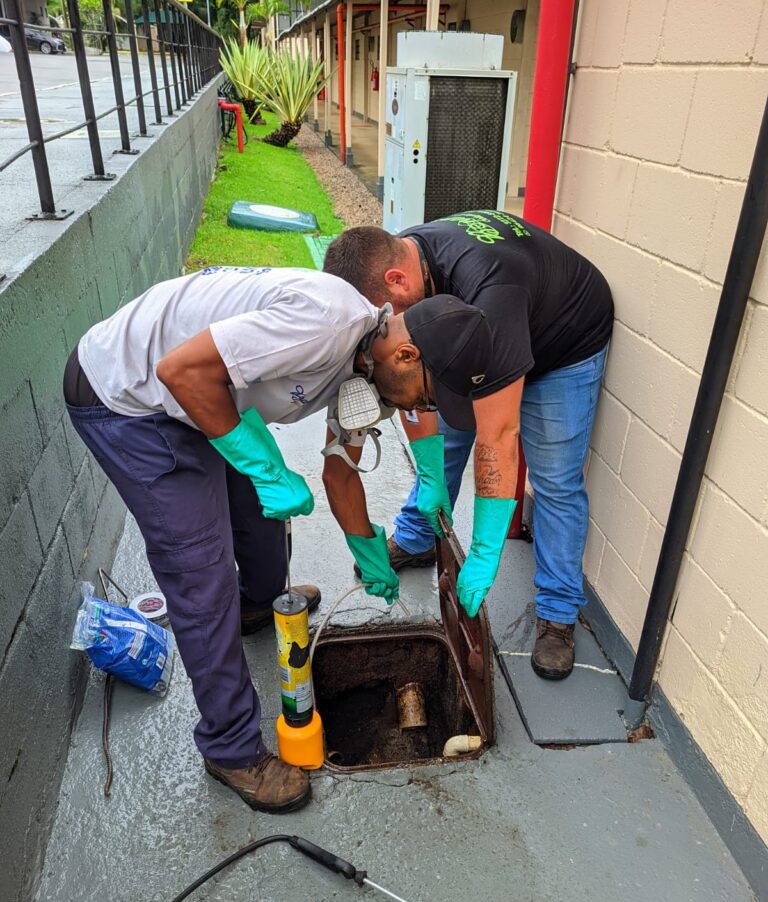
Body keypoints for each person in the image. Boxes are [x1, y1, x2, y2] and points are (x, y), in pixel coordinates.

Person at [63, 266, 399, 814]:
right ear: (406, 354)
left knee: (261, 519)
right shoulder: (328, 326)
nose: (412, 411)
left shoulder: (370, 364)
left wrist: (368, 549)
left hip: (206, 392)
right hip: (131, 397)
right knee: (201, 573)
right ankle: (230, 748)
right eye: (423, 399)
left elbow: (340, 471)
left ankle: (257, 604)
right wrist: (266, 468)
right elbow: (179, 372)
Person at [323, 210, 614, 681]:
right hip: (486, 335)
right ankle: (418, 536)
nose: (384, 329)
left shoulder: (490, 293)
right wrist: (430, 474)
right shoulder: (403, 264)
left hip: (563, 343)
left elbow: (498, 436)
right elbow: (413, 389)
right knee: (446, 431)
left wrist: (482, 551)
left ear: (397, 281)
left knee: (555, 479)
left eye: (384, 317)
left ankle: (558, 611)